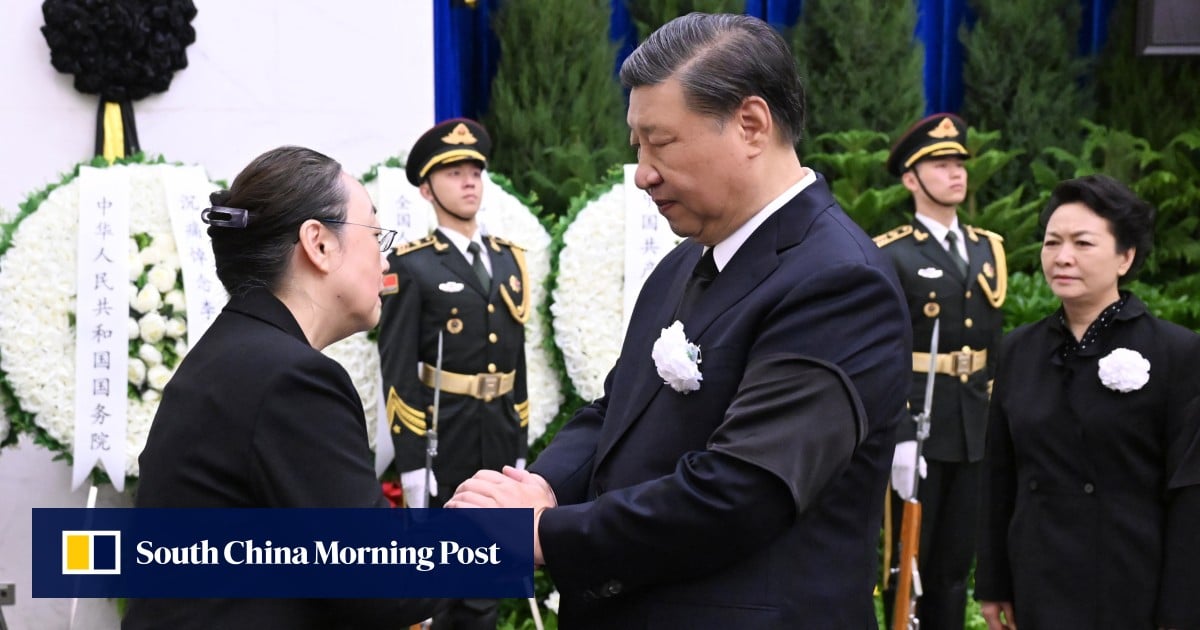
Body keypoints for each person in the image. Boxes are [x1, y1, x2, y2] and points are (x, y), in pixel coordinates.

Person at [446, 13, 912, 628]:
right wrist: (544, 488)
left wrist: (544, 534)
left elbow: (741, 492)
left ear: (750, 124)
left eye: (660, 142)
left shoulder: (837, 282)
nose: (642, 173)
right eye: (637, 145)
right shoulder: (685, 262)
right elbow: (615, 410)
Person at [125, 146, 441, 629]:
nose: (386, 256)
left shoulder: (235, 352)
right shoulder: (290, 379)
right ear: (318, 243)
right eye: (376, 234)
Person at [975, 174, 1200, 630]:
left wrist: (1182, 610)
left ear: (1126, 256)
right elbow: (1001, 475)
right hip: (1038, 575)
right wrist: (994, 581)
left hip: (1131, 580)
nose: (1062, 257)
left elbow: (1188, 494)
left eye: (1083, 243)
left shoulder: (1176, 352)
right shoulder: (1020, 349)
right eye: (1052, 242)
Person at [377, 118, 529, 629]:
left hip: (499, 432)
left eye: (474, 171)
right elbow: (397, 371)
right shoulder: (412, 265)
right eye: (453, 173)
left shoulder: (509, 262)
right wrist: (414, 465)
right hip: (447, 432)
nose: (468, 182)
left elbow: (517, 357)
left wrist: (521, 442)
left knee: (487, 576)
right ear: (426, 188)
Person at [874, 113, 1006, 630]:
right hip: (919, 426)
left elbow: (991, 345)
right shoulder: (892, 254)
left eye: (959, 164)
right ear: (911, 178)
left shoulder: (986, 248)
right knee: (906, 561)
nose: (956, 173)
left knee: (953, 566)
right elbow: (884, 355)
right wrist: (900, 435)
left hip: (973, 424)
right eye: (940, 164)